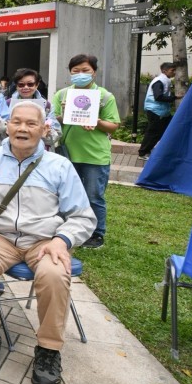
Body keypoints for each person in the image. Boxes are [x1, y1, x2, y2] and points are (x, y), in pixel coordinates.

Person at [0, 101, 96, 384]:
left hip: (44, 240)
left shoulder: (59, 166)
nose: (22, 128)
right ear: (7, 126)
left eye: (31, 124)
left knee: (55, 274)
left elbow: (84, 216)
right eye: (16, 122)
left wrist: (62, 239)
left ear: (44, 129)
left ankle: (48, 350)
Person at [52, 54, 119, 249]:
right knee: (64, 194)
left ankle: (97, 234)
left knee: (93, 196)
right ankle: (65, 228)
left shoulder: (105, 96)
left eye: (85, 71)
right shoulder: (62, 95)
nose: (80, 74)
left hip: (94, 156)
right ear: (70, 73)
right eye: (76, 71)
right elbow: (53, 120)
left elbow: (113, 126)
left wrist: (96, 122)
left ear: (94, 73)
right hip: (67, 154)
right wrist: (63, 114)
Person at [0, 68, 59, 148]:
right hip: (13, 151)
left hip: (40, 152)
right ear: (16, 86)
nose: (26, 87)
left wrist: (45, 134)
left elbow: (56, 134)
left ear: (37, 85)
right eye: (21, 85)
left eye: (30, 84)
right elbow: (0, 131)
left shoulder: (47, 106)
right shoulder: (7, 104)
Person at [139, 62, 177, 160]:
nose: (174, 72)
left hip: (161, 111)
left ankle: (149, 150)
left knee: (164, 130)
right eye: (172, 70)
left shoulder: (164, 80)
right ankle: (143, 153)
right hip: (155, 111)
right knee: (153, 132)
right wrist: (174, 98)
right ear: (164, 71)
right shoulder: (159, 81)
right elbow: (158, 96)